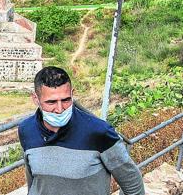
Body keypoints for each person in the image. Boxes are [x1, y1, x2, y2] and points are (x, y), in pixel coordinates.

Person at [18, 66, 145, 195]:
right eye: (51, 102)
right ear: (35, 99)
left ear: (72, 93)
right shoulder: (26, 130)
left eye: (66, 100)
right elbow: (34, 181)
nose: (60, 109)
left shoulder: (99, 132)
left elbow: (132, 182)